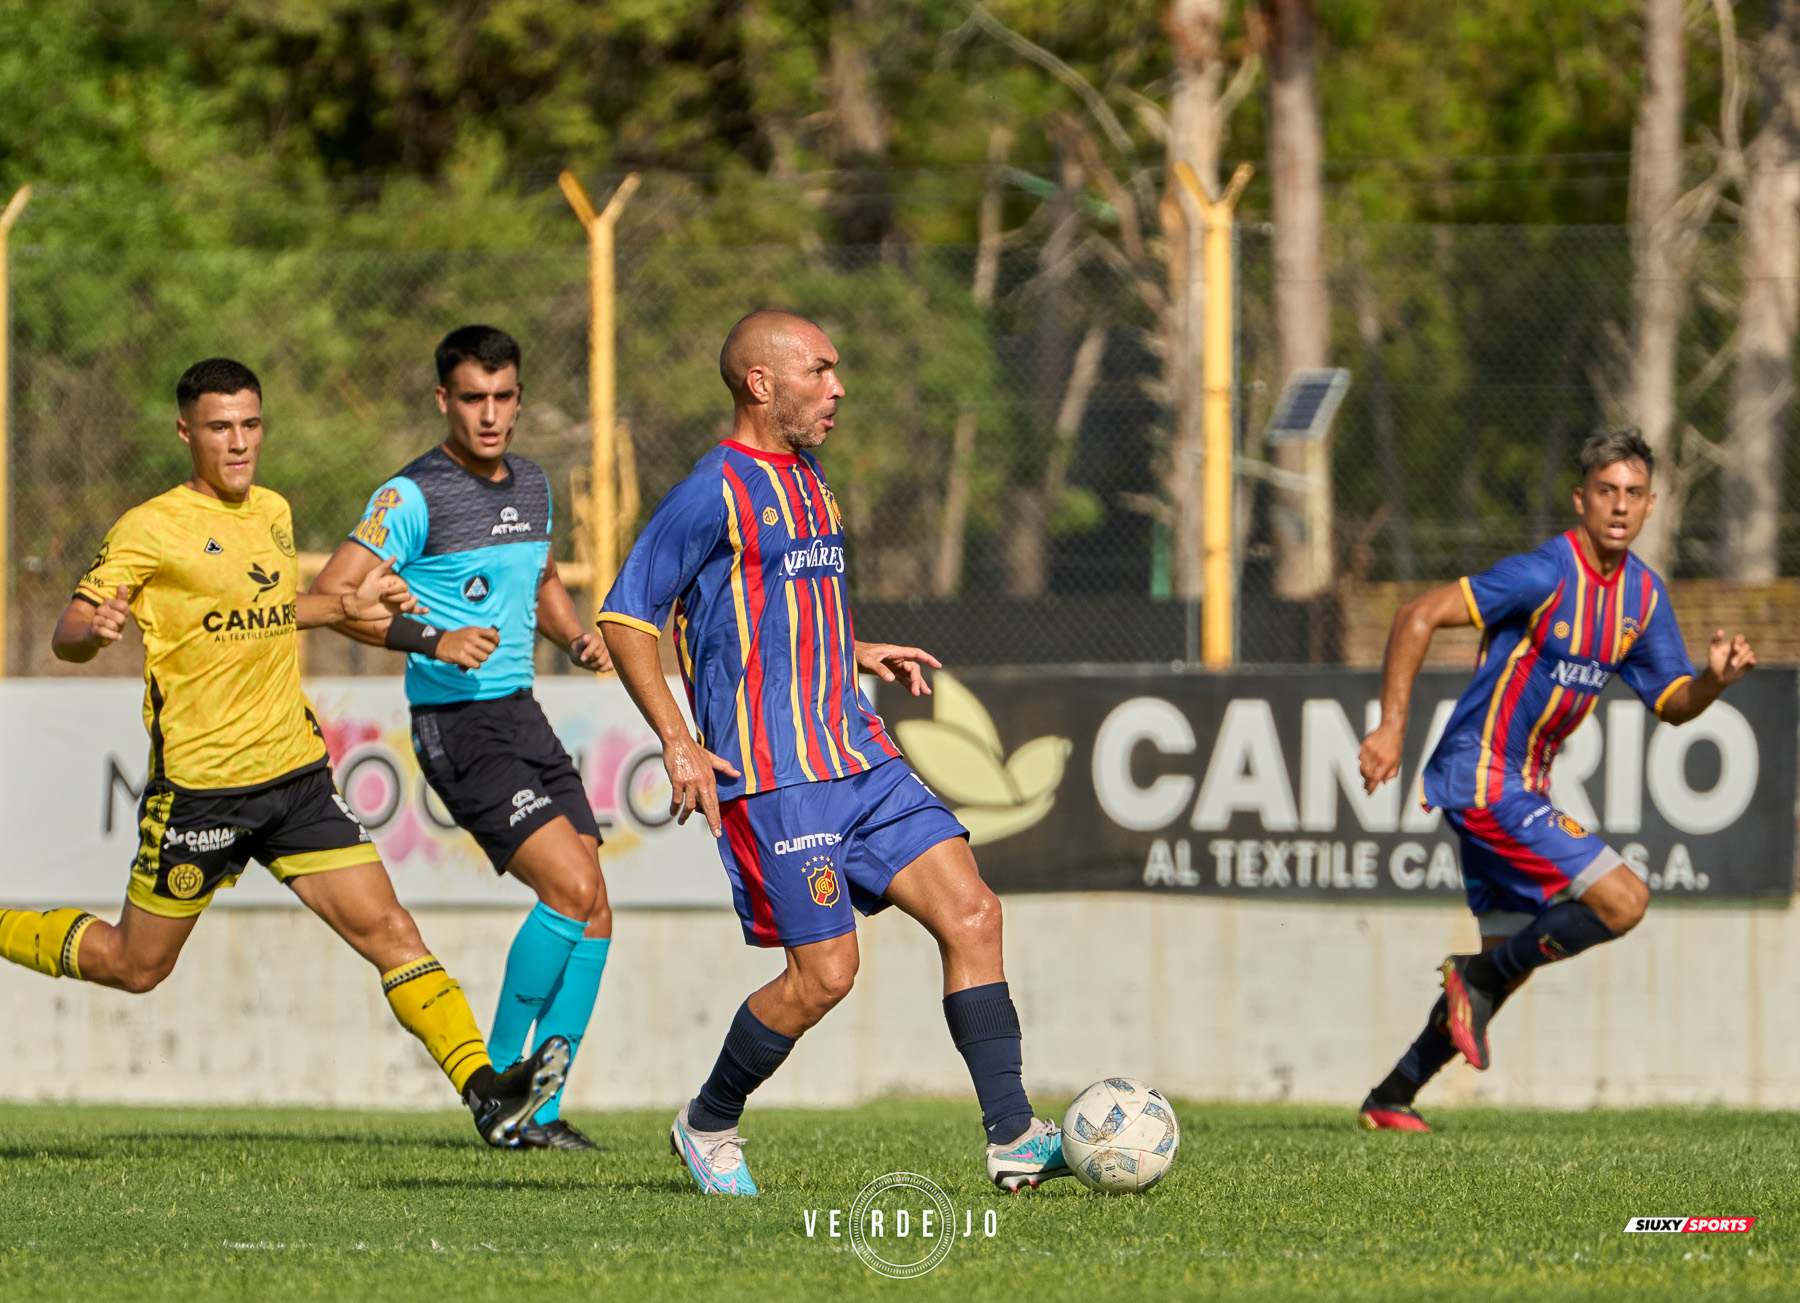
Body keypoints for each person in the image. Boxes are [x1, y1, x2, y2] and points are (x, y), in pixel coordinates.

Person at [0, 357, 569, 1145]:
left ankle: (485, 1093)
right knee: (134, 965)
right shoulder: (149, 527)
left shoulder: (272, 509)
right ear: (186, 432)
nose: (239, 443)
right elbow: (75, 622)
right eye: (220, 427)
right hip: (201, 789)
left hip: (296, 777)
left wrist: (382, 616)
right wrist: (89, 634)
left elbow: (273, 608)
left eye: (250, 425)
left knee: (392, 932)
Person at [598, 310, 1070, 1195]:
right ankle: (708, 1121)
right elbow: (626, 617)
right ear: (761, 383)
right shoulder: (712, 489)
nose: (838, 387)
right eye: (819, 370)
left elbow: (775, 602)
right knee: (825, 975)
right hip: (774, 779)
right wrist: (680, 743)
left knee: (974, 913)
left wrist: (851, 649)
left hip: (859, 752)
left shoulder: (810, 475)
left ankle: (1011, 1132)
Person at [1354, 426, 1756, 1130]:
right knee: (1623, 900)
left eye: (1634, 493)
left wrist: (1713, 683)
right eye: (1607, 491)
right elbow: (1417, 615)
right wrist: (1392, 724)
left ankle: (1391, 1096)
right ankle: (1471, 978)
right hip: (1483, 777)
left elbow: (1673, 704)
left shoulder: (1643, 599)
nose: (1620, 506)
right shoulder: (1545, 573)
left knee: (1510, 959)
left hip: (1518, 786)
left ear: (1653, 504)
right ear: (1582, 499)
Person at [313, 326, 613, 1151]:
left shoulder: (535, 482)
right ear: (444, 399)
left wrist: (575, 636)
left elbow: (543, 579)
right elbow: (336, 595)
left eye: (504, 397)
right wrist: (432, 638)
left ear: (519, 396)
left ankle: (539, 1113)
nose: (490, 414)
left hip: (522, 711)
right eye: (473, 398)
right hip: (458, 723)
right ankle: (503, 1092)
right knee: (571, 889)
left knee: (597, 910)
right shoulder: (411, 497)